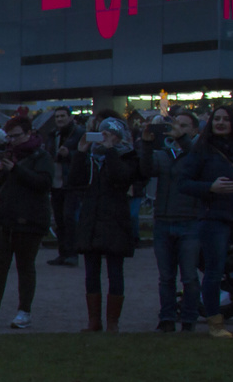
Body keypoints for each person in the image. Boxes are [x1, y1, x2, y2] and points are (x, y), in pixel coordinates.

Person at [178, 106, 233, 338]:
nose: (220, 123)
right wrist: (210, 187)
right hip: (215, 217)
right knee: (214, 271)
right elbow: (184, 182)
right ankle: (215, 321)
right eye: (216, 119)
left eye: (225, 119)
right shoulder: (201, 150)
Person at [0, 116, 53, 328]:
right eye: (9, 136)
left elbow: (44, 183)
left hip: (30, 219)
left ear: (29, 133)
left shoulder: (41, 156)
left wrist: (16, 169)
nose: (12, 140)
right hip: (6, 217)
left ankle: (24, 311)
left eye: (16, 136)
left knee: (25, 266)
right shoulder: (8, 155)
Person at [69, 117, 142, 332]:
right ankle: (94, 320)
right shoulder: (91, 157)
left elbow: (122, 178)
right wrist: (81, 152)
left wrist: (110, 150)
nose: (103, 138)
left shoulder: (127, 155)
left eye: (108, 134)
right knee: (91, 272)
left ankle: (112, 321)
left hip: (115, 219)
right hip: (92, 217)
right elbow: (74, 181)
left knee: (115, 272)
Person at [145, 111, 204, 331]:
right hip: (163, 219)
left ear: (195, 130)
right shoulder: (164, 153)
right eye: (176, 125)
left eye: (185, 126)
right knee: (166, 276)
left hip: (189, 220)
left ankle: (189, 319)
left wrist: (182, 139)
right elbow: (146, 169)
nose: (178, 129)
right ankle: (167, 318)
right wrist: (146, 143)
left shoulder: (197, 151)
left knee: (189, 276)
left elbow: (198, 161)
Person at [41, 107, 85, 267]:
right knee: (59, 219)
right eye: (57, 116)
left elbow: (85, 156)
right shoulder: (53, 134)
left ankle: (72, 253)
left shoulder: (79, 133)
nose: (59, 119)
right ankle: (63, 253)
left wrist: (70, 155)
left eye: (62, 116)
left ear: (70, 117)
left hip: (71, 182)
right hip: (56, 181)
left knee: (69, 217)